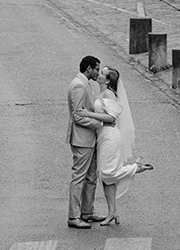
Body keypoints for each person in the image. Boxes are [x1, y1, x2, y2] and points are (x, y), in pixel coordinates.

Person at [86, 65, 153, 226]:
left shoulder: (109, 93)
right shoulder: (101, 92)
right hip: (102, 136)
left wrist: (88, 114)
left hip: (110, 136)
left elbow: (111, 117)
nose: (99, 74)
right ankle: (112, 212)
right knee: (106, 179)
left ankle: (136, 167)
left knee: (107, 172)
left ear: (108, 80)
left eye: (102, 73)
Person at [66, 55, 115, 229]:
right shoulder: (79, 85)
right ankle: (73, 216)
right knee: (79, 176)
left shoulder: (85, 83)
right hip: (82, 138)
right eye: (96, 69)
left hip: (89, 137)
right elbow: (79, 115)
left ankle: (87, 211)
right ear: (88, 69)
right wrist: (100, 123)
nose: (97, 72)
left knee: (91, 175)